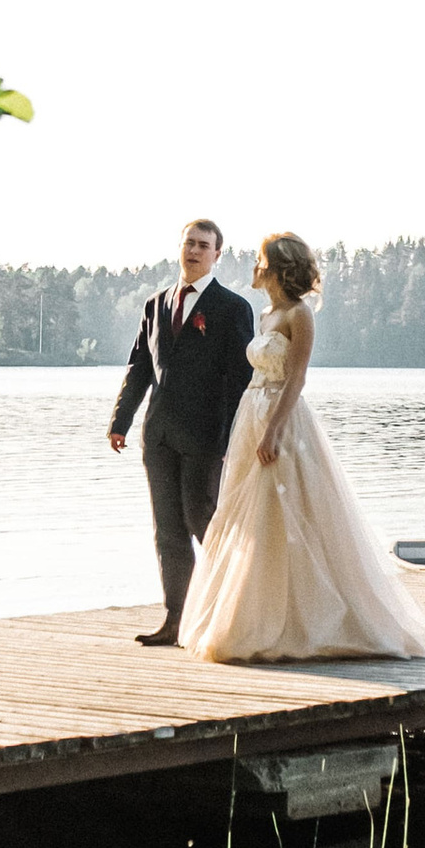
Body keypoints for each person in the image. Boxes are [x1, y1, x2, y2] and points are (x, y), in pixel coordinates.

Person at [177, 230, 425, 664]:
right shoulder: (266, 314)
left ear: (277, 268)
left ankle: (310, 621)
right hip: (251, 415)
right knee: (253, 518)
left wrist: (273, 431)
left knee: (289, 513)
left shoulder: (299, 314)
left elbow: (297, 378)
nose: (254, 266)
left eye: (261, 261)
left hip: (282, 421)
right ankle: (255, 613)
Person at [108, 218, 256, 647]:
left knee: (202, 519)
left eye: (203, 245)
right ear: (180, 248)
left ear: (217, 255)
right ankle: (176, 619)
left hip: (206, 437)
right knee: (167, 530)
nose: (194, 251)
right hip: (158, 435)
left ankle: (234, 610)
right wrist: (120, 421)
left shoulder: (232, 308)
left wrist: (231, 438)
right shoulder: (156, 304)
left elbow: (239, 379)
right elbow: (140, 367)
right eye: (189, 243)